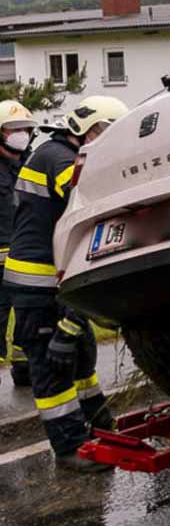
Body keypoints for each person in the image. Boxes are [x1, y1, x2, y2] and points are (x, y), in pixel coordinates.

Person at [5, 96, 127, 471]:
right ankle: (70, 447)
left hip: (56, 276)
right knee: (51, 364)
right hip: (38, 283)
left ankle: (100, 424)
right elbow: (87, 201)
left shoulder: (57, 153)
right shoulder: (59, 159)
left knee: (81, 356)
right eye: (109, 134)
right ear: (91, 130)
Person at [0, 101, 36, 387]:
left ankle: (24, 369)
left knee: (29, 315)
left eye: (25, 128)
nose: (21, 134)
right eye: (14, 129)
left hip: (25, 257)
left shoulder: (32, 164)